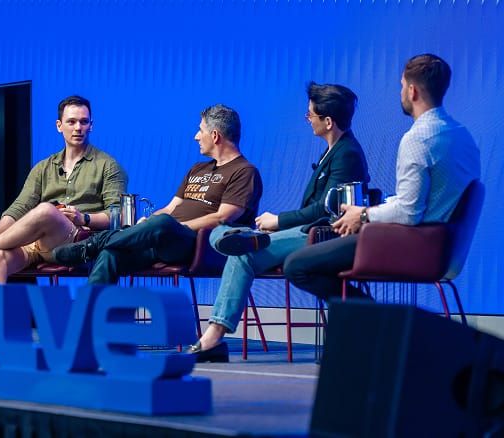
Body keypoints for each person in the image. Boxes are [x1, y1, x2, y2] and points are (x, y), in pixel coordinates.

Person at [191, 82, 370, 363]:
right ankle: (238, 236)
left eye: (310, 114)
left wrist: (278, 221)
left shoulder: (346, 153)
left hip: (322, 235)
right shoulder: (333, 151)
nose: (307, 119)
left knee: (242, 255)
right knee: (225, 234)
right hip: (308, 230)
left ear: (328, 121)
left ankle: (212, 337)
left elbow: (325, 211)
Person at [282, 54, 480, 303]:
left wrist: (363, 215)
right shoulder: (463, 137)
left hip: (415, 246)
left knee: (297, 265)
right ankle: (364, 326)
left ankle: (373, 319)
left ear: (412, 90)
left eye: (401, 87)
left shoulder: (418, 139)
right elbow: (425, 201)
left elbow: (409, 212)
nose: (400, 93)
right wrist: (373, 210)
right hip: (444, 249)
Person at [53, 104, 263, 290]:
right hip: (162, 239)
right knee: (111, 255)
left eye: (200, 131)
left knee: (163, 222)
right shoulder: (197, 169)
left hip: (197, 245)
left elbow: (221, 218)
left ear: (215, 136)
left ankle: (93, 243)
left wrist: (173, 226)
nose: (196, 136)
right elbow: (170, 208)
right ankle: (88, 322)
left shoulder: (244, 172)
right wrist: (149, 224)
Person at [0, 95, 128, 284]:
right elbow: (19, 207)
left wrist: (84, 218)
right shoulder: (43, 167)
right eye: (71, 122)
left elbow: (117, 216)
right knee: (0, 257)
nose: (78, 128)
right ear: (59, 126)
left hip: (79, 242)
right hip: (38, 244)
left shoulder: (108, 166)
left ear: (91, 125)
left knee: (46, 210)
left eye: (84, 122)